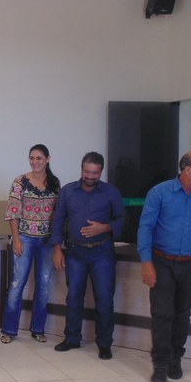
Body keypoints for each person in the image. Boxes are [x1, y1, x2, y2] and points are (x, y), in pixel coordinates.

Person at [138, 150, 191, 382]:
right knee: (162, 314)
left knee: (182, 314)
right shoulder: (160, 193)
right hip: (162, 262)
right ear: (187, 169)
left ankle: (175, 358)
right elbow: (145, 228)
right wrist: (146, 263)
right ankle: (160, 364)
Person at [50, 152, 125, 360]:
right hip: (75, 252)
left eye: (95, 173)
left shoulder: (111, 192)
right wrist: (57, 249)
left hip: (102, 253)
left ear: (101, 172)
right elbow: (58, 220)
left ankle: (104, 344)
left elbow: (122, 220)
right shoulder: (67, 191)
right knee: (74, 297)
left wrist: (104, 227)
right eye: (87, 172)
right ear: (81, 169)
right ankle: (72, 338)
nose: (90, 176)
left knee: (104, 299)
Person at [1, 145, 60, 344]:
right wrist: (16, 239)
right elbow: (13, 212)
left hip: (47, 241)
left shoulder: (54, 183)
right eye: (32, 158)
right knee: (17, 283)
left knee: (44, 284)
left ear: (47, 159)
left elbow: (58, 214)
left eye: (39, 158)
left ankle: (38, 328)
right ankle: (9, 330)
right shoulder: (20, 182)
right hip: (25, 238)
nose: (35, 162)